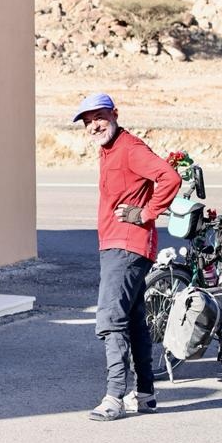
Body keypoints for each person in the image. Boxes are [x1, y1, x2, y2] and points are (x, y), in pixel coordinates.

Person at [74, 93, 180, 421]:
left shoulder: (130, 148)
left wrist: (146, 213)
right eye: (88, 122)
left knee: (110, 318)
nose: (94, 125)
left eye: (99, 117)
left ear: (115, 114)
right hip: (120, 245)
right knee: (134, 322)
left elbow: (169, 177)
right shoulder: (109, 149)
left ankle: (114, 397)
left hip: (126, 246)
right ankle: (145, 394)